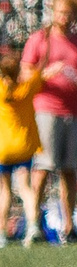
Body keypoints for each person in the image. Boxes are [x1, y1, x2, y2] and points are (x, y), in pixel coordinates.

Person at [24, 0, 77, 243]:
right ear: (53, 12)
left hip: (75, 113)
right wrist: (44, 74)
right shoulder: (40, 39)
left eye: (69, 13)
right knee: (42, 167)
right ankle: (33, 223)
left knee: (69, 170)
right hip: (46, 110)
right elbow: (25, 75)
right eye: (60, 12)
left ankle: (69, 226)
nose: (64, 17)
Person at [0, 38, 44, 245]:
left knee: (5, 190)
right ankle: (33, 226)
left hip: (3, 148)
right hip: (24, 147)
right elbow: (41, 69)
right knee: (26, 188)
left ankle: (1, 235)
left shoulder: (1, 90)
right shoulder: (27, 88)